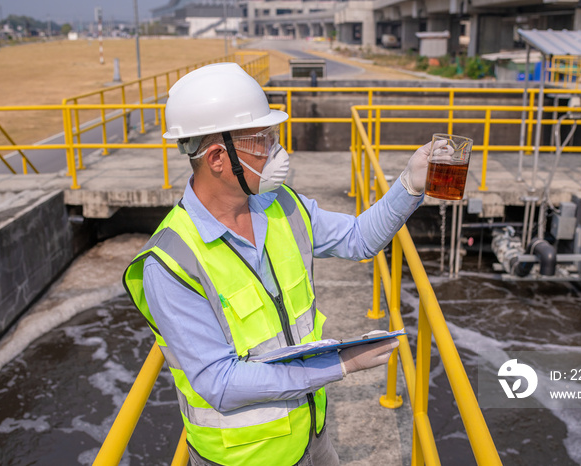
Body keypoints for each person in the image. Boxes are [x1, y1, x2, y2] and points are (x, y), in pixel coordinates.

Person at [123, 62, 434, 466]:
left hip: (312, 438)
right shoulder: (170, 263)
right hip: (244, 459)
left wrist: (410, 184)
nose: (276, 150)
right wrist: (337, 364)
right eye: (262, 139)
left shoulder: (282, 206)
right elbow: (219, 382)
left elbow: (357, 239)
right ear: (218, 158)